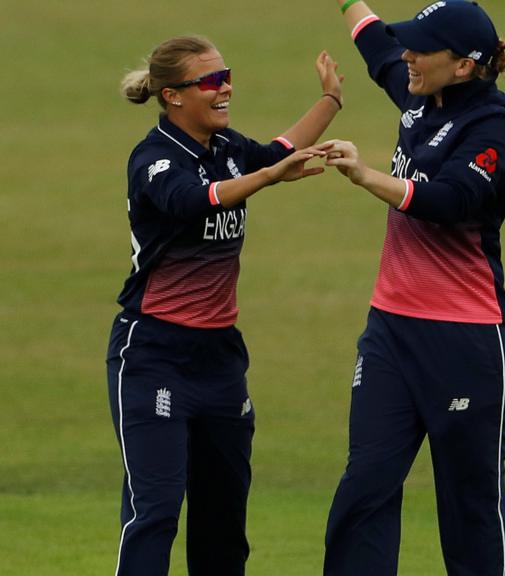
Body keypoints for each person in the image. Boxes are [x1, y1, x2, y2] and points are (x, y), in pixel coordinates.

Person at [107, 35, 342, 575]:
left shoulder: (226, 148)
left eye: (226, 75)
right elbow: (192, 200)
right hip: (153, 355)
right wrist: (265, 178)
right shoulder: (155, 160)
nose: (225, 88)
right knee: (156, 512)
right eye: (210, 82)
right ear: (172, 96)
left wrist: (330, 102)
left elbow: (277, 153)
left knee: (222, 521)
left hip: (220, 360)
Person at [320, 1, 505, 574]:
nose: (407, 55)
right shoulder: (419, 93)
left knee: (469, 504)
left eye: (421, 48)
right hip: (390, 331)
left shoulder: (495, 129)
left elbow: (452, 200)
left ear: (464, 65)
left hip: (466, 340)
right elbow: (378, 51)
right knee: (365, 487)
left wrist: (367, 177)